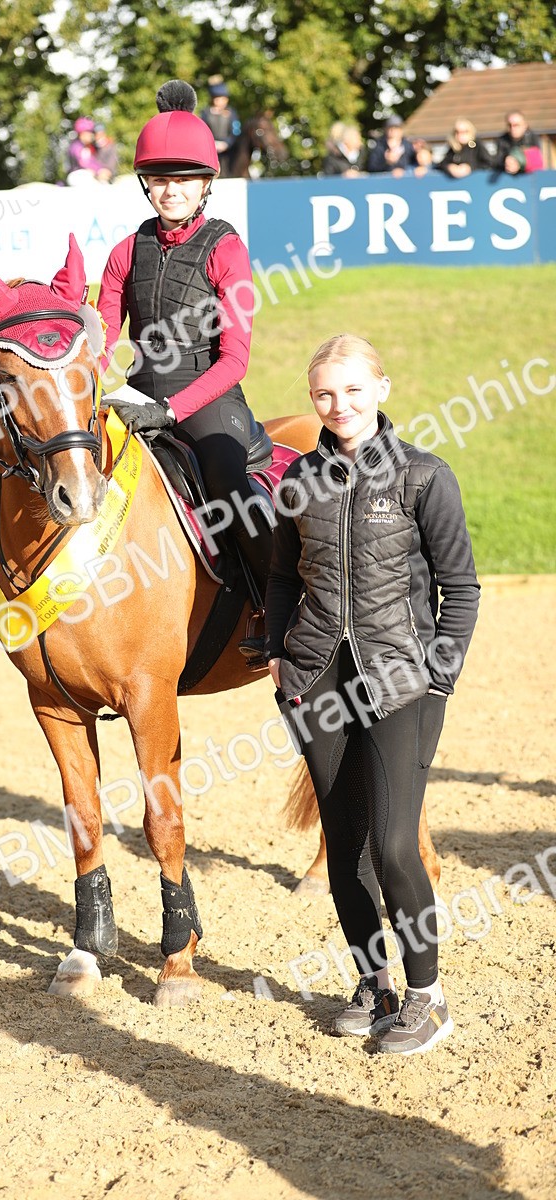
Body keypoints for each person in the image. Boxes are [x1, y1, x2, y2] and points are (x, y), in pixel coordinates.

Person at [265, 334, 479, 1056]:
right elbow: (282, 578)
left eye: (354, 390)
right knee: (346, 844)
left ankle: (427, 999)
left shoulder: (424, 477)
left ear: (381, 390)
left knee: (393, 844)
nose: (339, 405)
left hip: (403, 681)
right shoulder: (297, 480)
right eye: (325, 393)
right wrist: (277, 657)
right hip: (318, 677)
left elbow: (461, 588)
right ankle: (374, 984)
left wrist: (438, 675)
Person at [98, 79, 273, 651]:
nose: (170, 190)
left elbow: (236, 359)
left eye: (184, 179)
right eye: (160, 179)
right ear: (146, 183)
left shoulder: (227, 248)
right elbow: (102, 341)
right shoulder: (125, 251)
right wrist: (101, 383)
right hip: (138, 396)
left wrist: (172, 409)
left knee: (225, 477)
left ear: (205, 184)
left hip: (208, 397)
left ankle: (271, 606)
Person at [199, 77, 241, 179]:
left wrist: (227, 143)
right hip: (211, 150)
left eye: (223, 98)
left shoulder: (232, 113)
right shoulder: (206, 113)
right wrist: (212, 144)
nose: (220, 101)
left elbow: (236, 131)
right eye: (217, 98)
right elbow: (202, 131)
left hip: (229, 151)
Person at [66, 118, 103, 184]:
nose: (91, 135)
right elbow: (83, 163)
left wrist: (101, 170)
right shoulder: (76, 146)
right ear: (82, 133)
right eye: (89, 133)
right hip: (76, 176)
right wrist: (98, 172)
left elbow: (93, 162)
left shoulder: (86, 147)